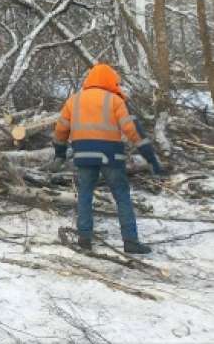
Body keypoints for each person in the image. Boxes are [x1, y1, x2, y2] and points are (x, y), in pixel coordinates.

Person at [52, 64, 162, 254]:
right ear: (110, 80)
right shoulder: (115, 101)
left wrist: (60, 153)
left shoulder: (74, 100)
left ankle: (84, 238)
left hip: (83, 156)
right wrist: (150, 158)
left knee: (85, 196)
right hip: (111, 156)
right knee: (121, 197)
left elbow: (61, 129)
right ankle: (130, 241)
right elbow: (132, 131)